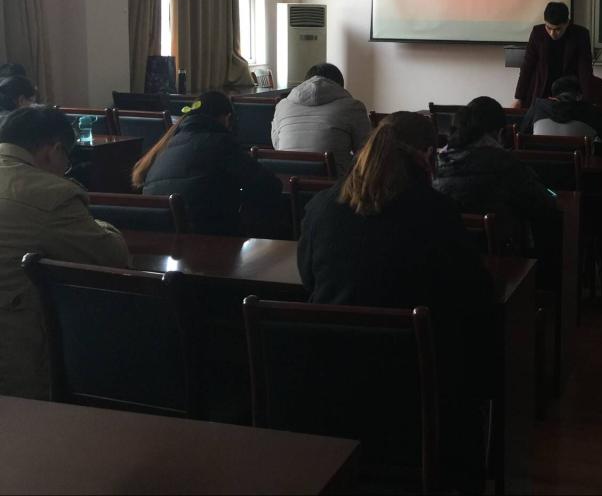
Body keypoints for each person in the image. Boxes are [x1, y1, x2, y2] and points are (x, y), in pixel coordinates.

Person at [298, 111, 493, 490]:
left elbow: (309, 279)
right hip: (414, 381)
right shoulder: (437, 211)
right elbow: (475, 293)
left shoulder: (321, 206)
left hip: (329, 374)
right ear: (428, 155)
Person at [0, 106, 129, 399]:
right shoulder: (50, 194)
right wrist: (99, 224)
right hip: (16, 362)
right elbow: (113, 255)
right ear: (55, 150)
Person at [133, 91, 282, 236]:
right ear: (228, 119)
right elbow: (269, 184)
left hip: (162, 236)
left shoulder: (166, 145)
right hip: (204, 237)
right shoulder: (221, 143)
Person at [434, 96, 560, 240]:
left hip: (449, 249)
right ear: (500, 133)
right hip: (501, 250)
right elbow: (545, 203)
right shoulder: (506, 164)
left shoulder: (438, 162)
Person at [271, 63, 371, 177]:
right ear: (339, 86)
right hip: (335, 185)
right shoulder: (353, 107)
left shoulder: (282, 106)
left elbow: (277, 145)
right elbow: (366, 152)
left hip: (286, 180)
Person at [513, 1, 594, 109]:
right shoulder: (537, 33)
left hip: (568, 93)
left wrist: (588, 102)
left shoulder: (580, 35)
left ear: (567, 23)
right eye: (548, 27)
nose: (552, 33)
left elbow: (585, 70)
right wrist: (519, 98)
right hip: (541, 90)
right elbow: (527, 67)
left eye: (558, 29)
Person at [520, 74, 602, 150]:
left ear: (552, 96)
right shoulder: (590, 110)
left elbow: (522, 133)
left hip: (539, 169)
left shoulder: (538, 106)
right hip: (579, 170)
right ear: (579, 96)